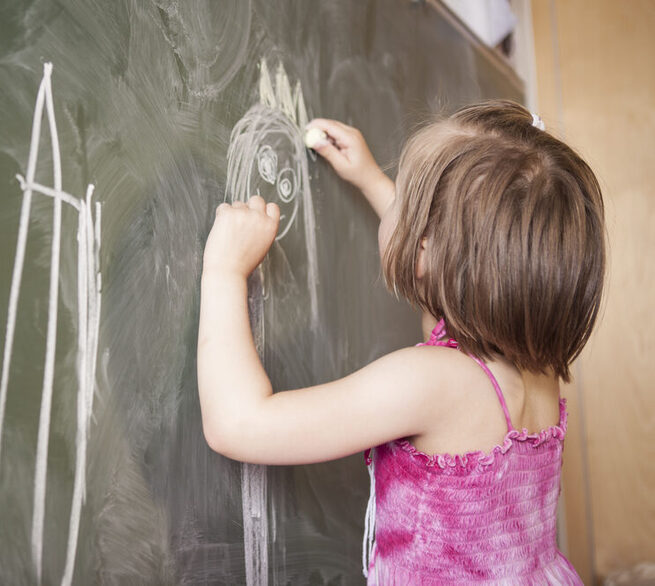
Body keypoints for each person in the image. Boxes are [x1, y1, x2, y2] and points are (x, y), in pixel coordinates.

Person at [196, 99, 604, 584]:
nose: (398, 209)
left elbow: (238, 424)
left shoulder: (430, 383)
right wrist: (371, 179)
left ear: (427, 251)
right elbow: (449, 270)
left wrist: (225, 271)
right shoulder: (537, 363)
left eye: (407, 202)